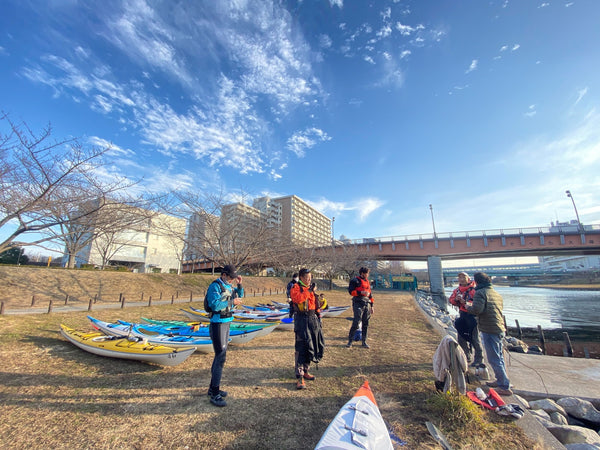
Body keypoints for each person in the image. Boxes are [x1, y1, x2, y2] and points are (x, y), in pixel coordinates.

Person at [462, 272, 512, 396]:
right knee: (499, 357)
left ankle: (504, 386)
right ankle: (501, 380)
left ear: (476, 281)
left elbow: (477, 310)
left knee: (494, 358)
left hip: (489, 329)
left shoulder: (480, 293)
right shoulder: (495, 293)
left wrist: (466, 305)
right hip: (500, 328)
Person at [205, 264, 244, 407]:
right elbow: (214, 305)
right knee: (220, 357)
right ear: (224, 275)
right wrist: (231, 301)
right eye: (231, 277)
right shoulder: (215, 286)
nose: (232, 280)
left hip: (227, 322)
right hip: (218, 323)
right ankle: (215, 393)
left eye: (234, 278)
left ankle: (212, 388)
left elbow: (238, 297)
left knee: (220, 356)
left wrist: (239, 287)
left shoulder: (229, 286)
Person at [290, 268, 325, 390]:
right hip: (301, 320)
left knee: (312, 345)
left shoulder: (310, 289)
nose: (309, 280)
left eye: (310, 277)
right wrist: (309, 290)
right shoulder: (296, 287)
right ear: (301, 278)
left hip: (311, 319)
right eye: (306, 278)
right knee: (301, 347)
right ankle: (299, 377)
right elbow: (298, 299)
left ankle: (306, 370)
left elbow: (315, 303)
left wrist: (319, 314)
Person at [448, 272, 483, 366]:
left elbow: (477, 304)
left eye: (463, 277)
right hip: (462, 315)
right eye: (459, 278)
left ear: (468, 279)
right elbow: (450, 300)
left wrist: (465, 302)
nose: (461, 279)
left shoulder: (474, 290)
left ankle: (479, 359)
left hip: (472, 316)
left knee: (475, 338)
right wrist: (456, 300)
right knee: (461, 337)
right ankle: (466, 356)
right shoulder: (457, 290)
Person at [346, 267, 374, 349]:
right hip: (358, 302)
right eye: (366, 273)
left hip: (367, 303)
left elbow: (370, 294)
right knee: (356, 321)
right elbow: (351, 292)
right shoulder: (355, 280)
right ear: (362, 273)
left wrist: (372, 305)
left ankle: (364, 341)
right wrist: (360, 292)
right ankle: (350, 341)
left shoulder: (367, 282)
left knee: (366, 323)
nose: (368, 275)